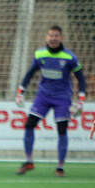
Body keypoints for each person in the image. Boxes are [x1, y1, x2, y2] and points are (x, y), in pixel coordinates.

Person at [15, 25, 86, 177]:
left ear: (61, 38)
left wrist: (81, 98)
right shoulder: (40, 54)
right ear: (47, 37)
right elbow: (30, 72)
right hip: (43, 96)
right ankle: (29, 161)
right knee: (29, 125)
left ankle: (60, 167)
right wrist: (21, 90)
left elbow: (80, 77)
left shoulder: (69, 57)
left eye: (56, 36)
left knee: (62, 130)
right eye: (50, 36)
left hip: (62, 98)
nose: (53, 38)